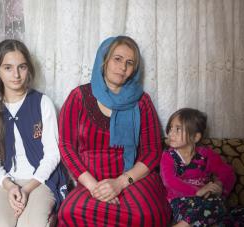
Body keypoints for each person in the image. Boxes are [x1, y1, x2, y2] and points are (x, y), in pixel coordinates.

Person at [57, 36, 171, 227]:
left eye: (129, 62)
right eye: (117, 59)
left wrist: (119, 183)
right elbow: (67, 147)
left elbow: (152, 152)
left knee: (144, 216)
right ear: (105, 60)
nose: (123, 67)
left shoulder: (142, 101)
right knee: (70, 212)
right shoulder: (78, 97)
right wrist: (95, 187)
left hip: (133, 180)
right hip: (91, 183)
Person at [0, 39, 67, 227]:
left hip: (40, 179)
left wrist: (26, 190)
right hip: (7, 181)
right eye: (8, 68)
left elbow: (53, 154)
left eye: (22, 67)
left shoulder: (42, 103)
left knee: (31, 224)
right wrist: (10, 186)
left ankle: (49, 218)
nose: (16, 75)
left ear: (29, 69)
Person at [160, 108, 244, 227]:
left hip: (208, 201)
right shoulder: (168, 156)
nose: (171, 133)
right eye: (170, 128)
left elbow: (227, 172)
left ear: (195, 137)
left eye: (177, 129)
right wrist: (197, 191)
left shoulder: (206, 155)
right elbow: (169, 181)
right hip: (182, 201)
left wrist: (219, 184)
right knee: (213, 209)